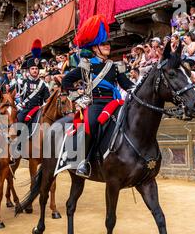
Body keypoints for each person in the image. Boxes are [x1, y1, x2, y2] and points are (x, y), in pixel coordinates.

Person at [62, 14, 134, 178]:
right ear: (95, 47)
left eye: (108, 43)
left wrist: (137, 88)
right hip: (95, 103)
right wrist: (76, 96)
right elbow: (66, 80)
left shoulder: (116, 66)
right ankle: (84, 161)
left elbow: (126, 84)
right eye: (103, 44)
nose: (108, 46)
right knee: (92, 124)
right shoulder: (86, 65)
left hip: (115, 103)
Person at [16, 39, 50, 124]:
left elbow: (47, 99)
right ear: (28, 70)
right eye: (32, 69)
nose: (35, 70)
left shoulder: (43, 84)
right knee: (18, 121)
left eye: (36, 69)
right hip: (25, 110)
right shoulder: (22, 82)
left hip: (38, 110)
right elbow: (14, 96)